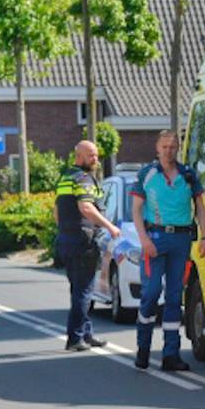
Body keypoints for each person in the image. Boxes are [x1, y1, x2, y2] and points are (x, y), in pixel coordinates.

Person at [130, 130, 205, 371]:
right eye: (164, 147)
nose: (168, 151)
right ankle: (143, 348)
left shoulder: (188, 175)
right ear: (157, 148)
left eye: (173, 147)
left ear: (178, 148)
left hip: (181, 239)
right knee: (151, 292)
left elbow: (200, 207)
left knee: (175, 297)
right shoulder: (147, 174)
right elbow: (136, 210)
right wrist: (144, 239)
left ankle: (170, 355)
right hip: (155, 238)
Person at [54, 141, 120, 352]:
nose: (95, 159)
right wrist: (110, 227)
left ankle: (86, 333)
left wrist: (65, 231)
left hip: (66, 240)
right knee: (84, 291)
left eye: (96, 155)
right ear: (79, 156)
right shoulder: (84, 178)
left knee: (79, 289)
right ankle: (75, 338)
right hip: (83, 241)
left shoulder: (66, 177)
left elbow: (57, 211)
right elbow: (86, 207)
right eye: (91, 155)